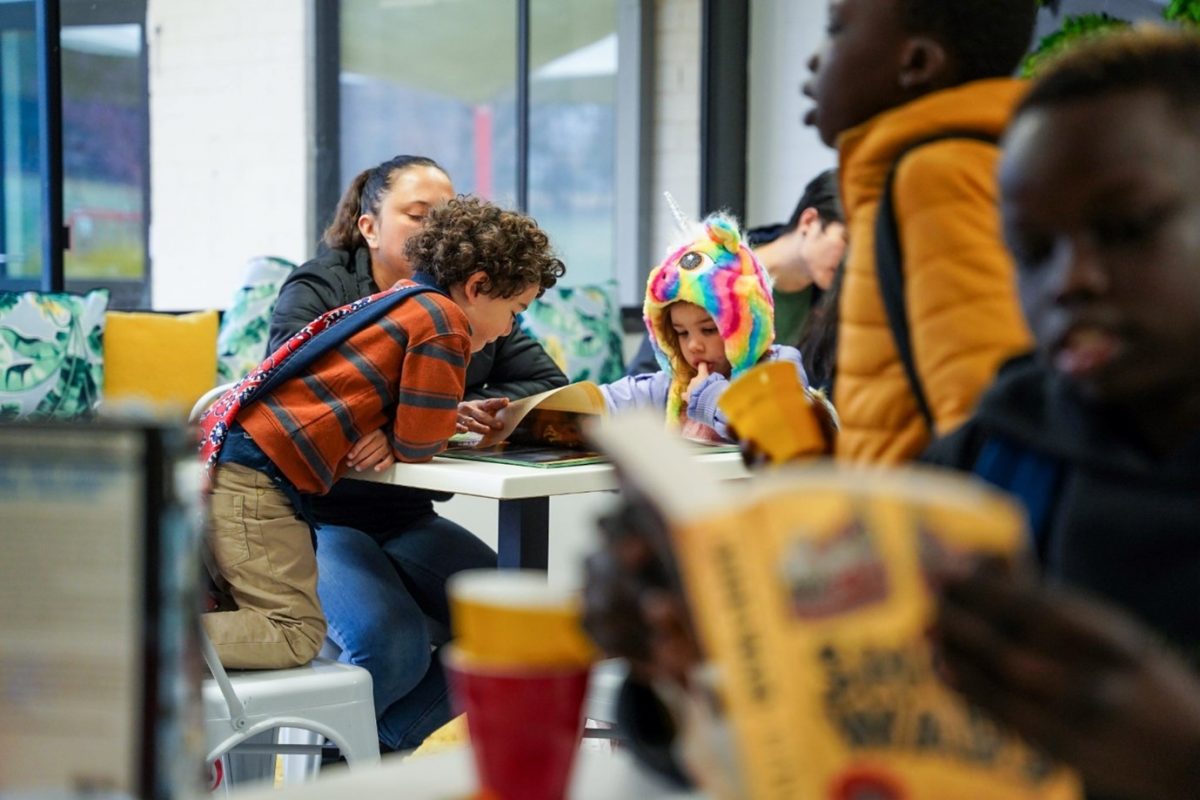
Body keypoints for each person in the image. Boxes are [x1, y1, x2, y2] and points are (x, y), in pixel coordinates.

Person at [920, 29, 1200, 795]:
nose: (1068, 281)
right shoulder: (988, 462)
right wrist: (679, 669)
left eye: (1127, 228)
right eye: (1032, 249)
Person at [201, 197, 566, 753]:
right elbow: (419, 442)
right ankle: (140, 640)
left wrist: (416, 422)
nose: (513, 325)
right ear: (478, 285)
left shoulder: (401, 301)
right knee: (294, 632)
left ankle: (368, 746)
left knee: (520, 627)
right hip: (263, 486)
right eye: (515, 307)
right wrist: (415, 429)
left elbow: (405, 421)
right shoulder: (446, 325)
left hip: (248, 467)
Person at [805, 0, 1037, 464]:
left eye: (835, 30)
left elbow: (984, 430)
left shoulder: (937, 180)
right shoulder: (915, 177)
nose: (816, 58)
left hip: (928, 535)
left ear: (916, 63)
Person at [599, 211, 808, 443]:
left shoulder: (780, 365)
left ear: (746, 324)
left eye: (708, 330)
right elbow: (621, 398)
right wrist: (576, 408)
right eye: (681, 333)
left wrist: (709, 397)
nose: (694, 345)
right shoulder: (675, 385)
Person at [624, 170, 846, 376]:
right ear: (809, 221)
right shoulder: (711, 268)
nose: (853, 260)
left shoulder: (836, 305)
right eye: (847, 240)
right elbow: (649, 371)